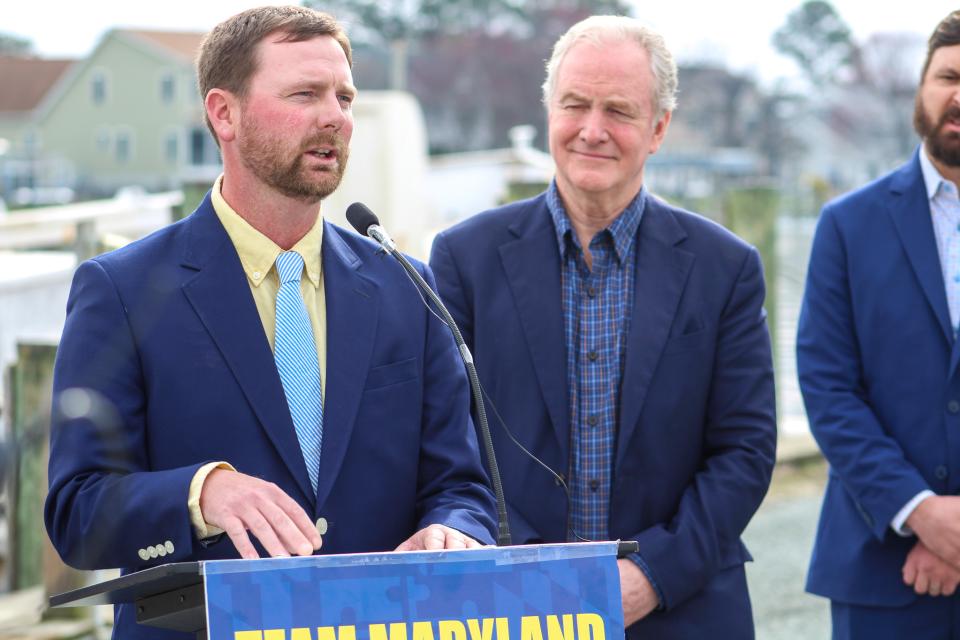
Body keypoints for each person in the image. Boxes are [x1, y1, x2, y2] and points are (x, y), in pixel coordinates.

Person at [44, 6, 496, 638]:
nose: (335, 117)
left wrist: (453, 529)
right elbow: (78, 513)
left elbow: (462, 487)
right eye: (305, 94)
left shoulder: (408, 287)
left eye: (344, 97)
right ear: (223, 114)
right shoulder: (121, 289)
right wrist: (201, 494)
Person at [429, 15, 777, 638]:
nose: (592, 130)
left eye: (618, 110)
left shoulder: (725, 268)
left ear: (659, 128)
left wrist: (653, 576)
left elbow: (744, 451)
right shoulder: (464, 258)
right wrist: (533, 570)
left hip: (682, 608)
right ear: (549, 111)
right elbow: (451, 438)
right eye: (575, 105)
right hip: (513, 602)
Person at [797, 11, 960, 639]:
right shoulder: (847, 225)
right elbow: (828, 388)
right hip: (879, 573)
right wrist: (920, 514)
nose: (959, 95)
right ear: (921, 87)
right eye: (948, 77)